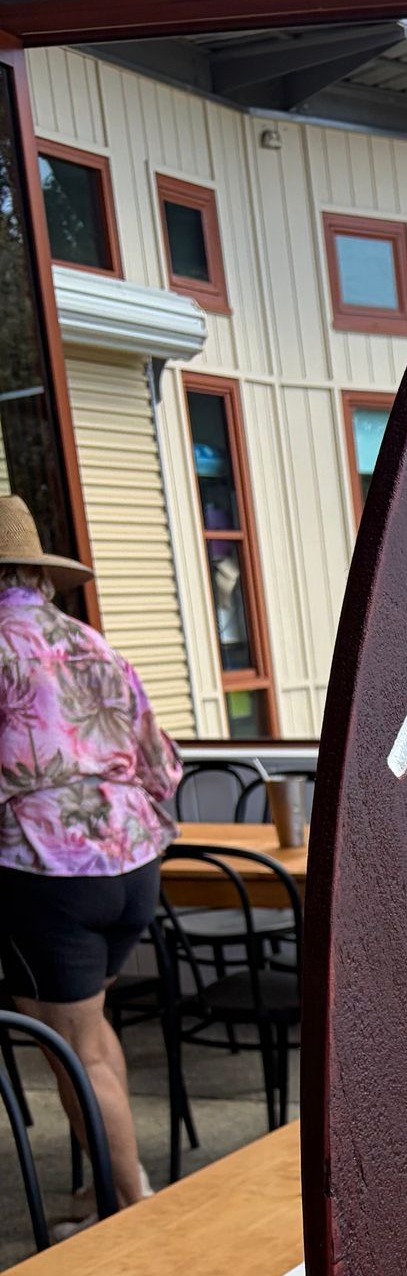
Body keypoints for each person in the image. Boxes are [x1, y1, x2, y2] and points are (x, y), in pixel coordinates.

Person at [0, 495, 181, 1220]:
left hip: (47, 871)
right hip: (132, 862)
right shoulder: (91, 643)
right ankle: (111, 1181)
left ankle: (132, 1208)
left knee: (76, 1044)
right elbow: (161, 765)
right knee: (87, 1031)